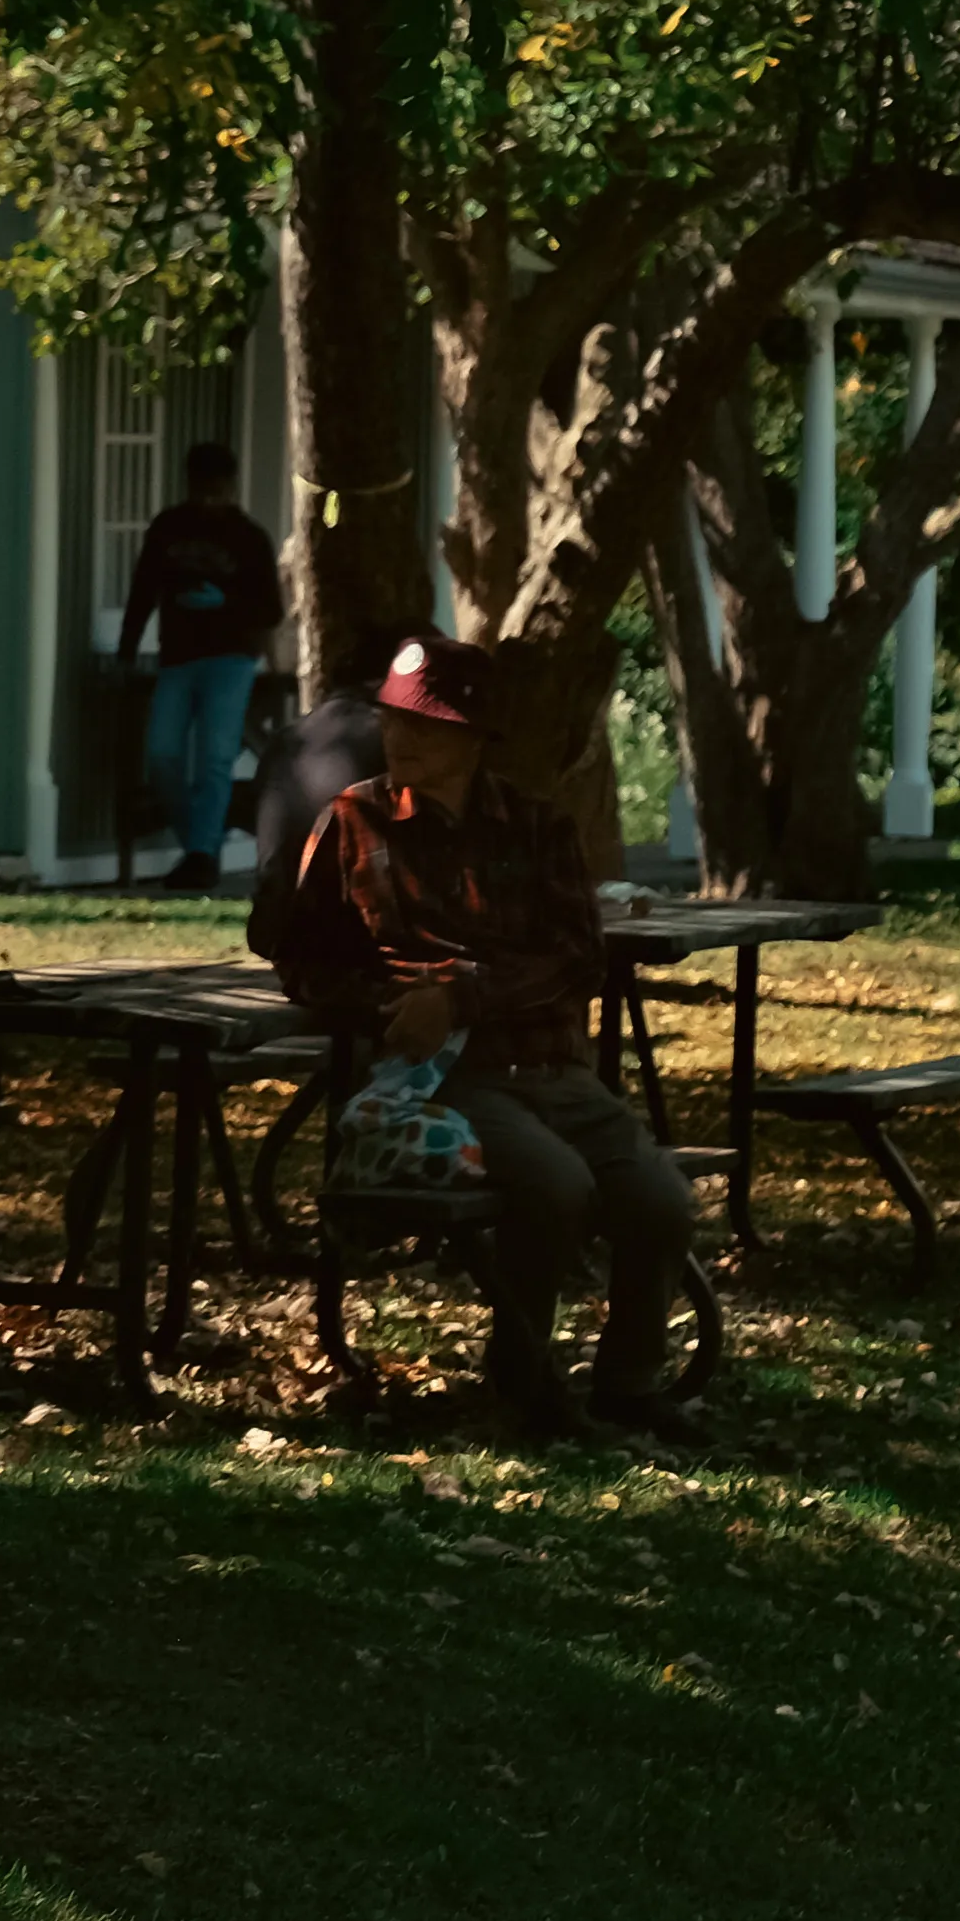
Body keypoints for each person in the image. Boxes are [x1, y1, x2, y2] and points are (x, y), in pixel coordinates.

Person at [263, 633, 700, 1443]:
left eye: (421, 724)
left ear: (472, 737)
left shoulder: (536, 826)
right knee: (555, 1186)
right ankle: (526, 1388)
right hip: (446, 1079)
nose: (398, 737)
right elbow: (297, 955)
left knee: (660, 1201)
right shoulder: (352, 821)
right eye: (391, 719)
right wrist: (390, 1005)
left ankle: (630, 1384)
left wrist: (462, 996)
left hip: (553, 1065)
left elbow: (578, 957)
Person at [109, 438, 288, 885]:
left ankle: (202, 856)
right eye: (201, 489)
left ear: (231, 486)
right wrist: (127, 650)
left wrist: (226, 603)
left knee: (215, 757)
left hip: (231, 659)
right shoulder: (168, 529)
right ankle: (198, 845)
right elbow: (143, 591)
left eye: (217, 489)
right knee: (162, 753)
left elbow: (270, 609)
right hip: (177, 657)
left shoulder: (249, 538)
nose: (209, 498)